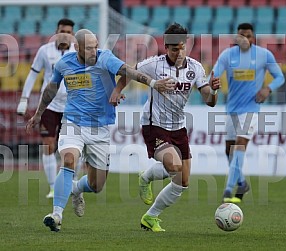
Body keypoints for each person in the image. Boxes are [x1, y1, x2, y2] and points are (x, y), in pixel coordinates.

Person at [26, 29, 174, 232]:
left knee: (97, 185)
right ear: (76, 48)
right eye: (89, 48)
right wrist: (38, 114)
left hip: (100, 129)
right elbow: (51, 88)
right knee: (69, 160)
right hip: (73, 123)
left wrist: (153, 83)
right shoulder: (64, 64)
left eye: (96, 46)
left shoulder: (105, 58)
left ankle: (77, 189)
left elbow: (128, 71)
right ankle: (56, 214)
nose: (94, 51)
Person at [110, 22, 221, 232]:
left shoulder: (195, 68)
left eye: (182, 47)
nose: (179, 52)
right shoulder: (154, 64)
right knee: (175, 166)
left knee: (182, 181)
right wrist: (116, 91)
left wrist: (214, 92)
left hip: (178, 127)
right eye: (174, 49)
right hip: (154, 124)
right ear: (165, 46)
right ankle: (147, 177)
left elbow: (209, 100)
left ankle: (150, 216)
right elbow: (129, 73)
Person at [211, 23, 285, 203]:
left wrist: (268, 89)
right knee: (228, 150)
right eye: (241, 35)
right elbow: (214, 75)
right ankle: (242, 182)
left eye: (248, 36)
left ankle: (229, 190)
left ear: (253, 38)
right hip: (231, 109)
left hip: (251, 108)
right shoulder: (227, 55)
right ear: (237, 37)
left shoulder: (263, 55)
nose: (245, 38)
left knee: (239, 146)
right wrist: (212, 83)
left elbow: (280, 77)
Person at [17, 18, 78, 199]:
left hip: (71, 106)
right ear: (56, 32)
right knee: (48, 145)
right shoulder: (45, 51)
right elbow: (33, 74)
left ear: (72, 35)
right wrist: (24, 98)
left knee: (72, 148)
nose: (65, 34)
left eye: (68, 32)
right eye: (62, 31)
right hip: (49, 105)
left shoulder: (78, 53)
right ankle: (53, 187)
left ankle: (71, 184)